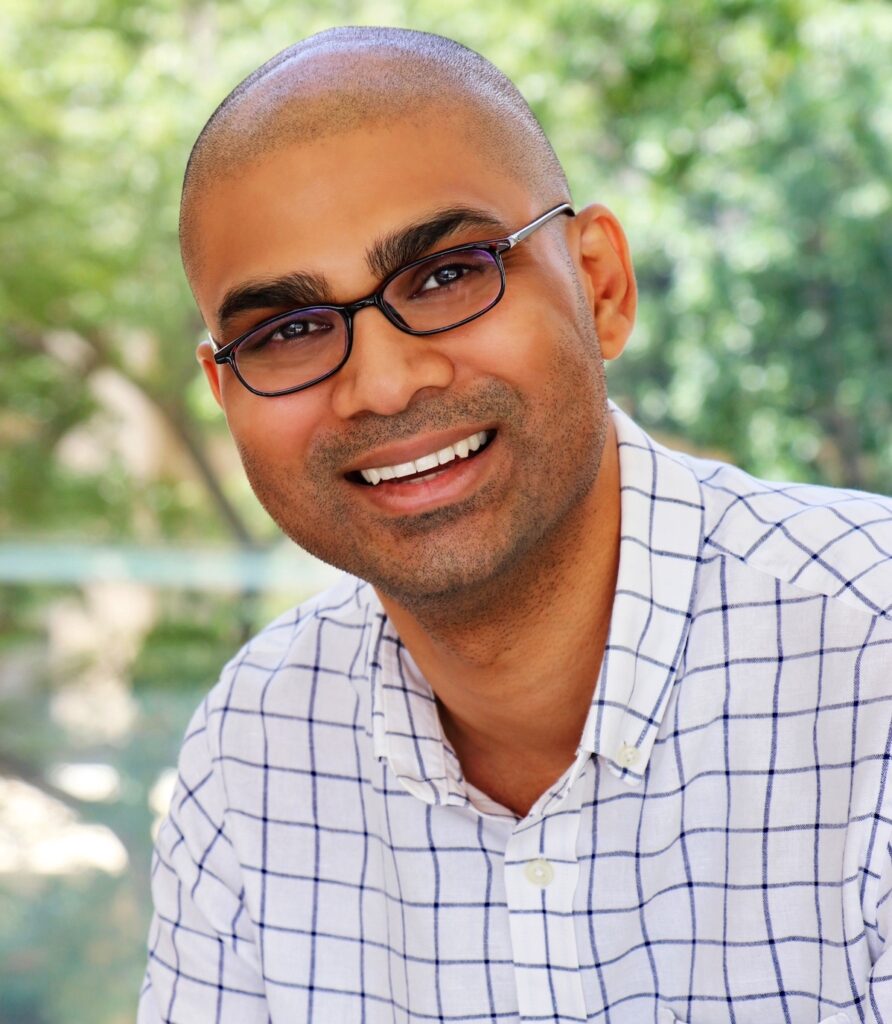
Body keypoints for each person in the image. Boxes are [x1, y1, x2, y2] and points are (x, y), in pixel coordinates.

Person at [138, 25, 892, 1024]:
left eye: (449, 274)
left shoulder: (869, 666)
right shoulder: (256, 749)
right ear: (225, 396)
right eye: (287, 331)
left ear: (600, 286)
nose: (385, 381)